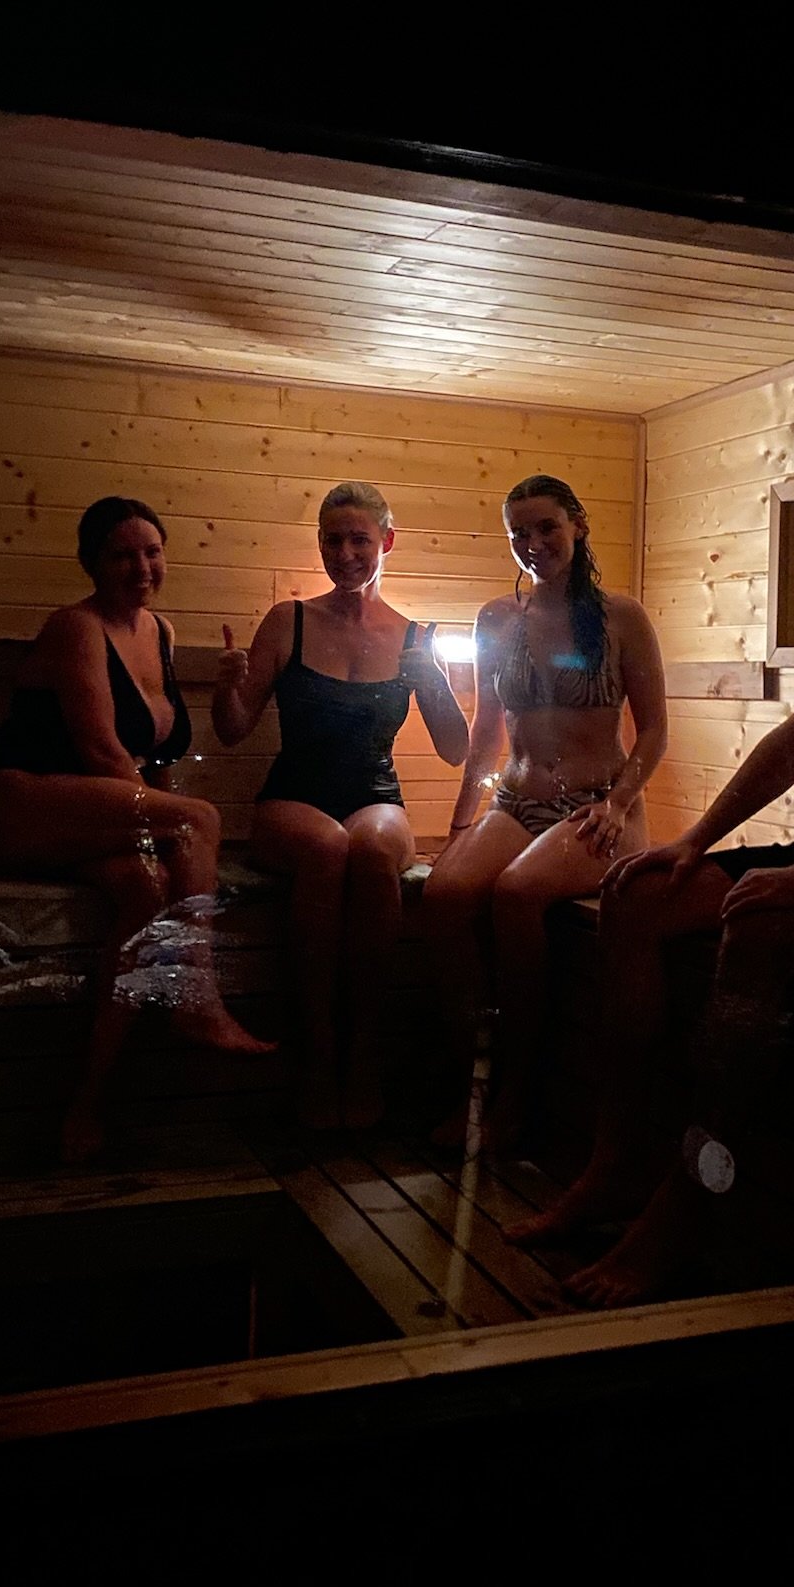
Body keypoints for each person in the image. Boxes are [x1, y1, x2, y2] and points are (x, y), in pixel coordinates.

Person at [506, 427, 794, 1307]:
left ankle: (686, 1206)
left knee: (760, 922)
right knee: (635, 891)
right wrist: (692, 840)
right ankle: (614, 1163)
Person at [0, 496, 275, 1164]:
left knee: (146, 891)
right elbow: (104, 756)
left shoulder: (160, 632)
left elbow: (156, 763)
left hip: (94, 819)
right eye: (122, 554)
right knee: (200, 817)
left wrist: (173, 843)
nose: (141, 566)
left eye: (152, 551)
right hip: (21, 804)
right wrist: (180, 828)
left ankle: (88, 1101)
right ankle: (195, 996)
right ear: (92, 563)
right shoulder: (76, 628)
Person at [213, 481, 469, 1130]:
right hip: (293, 796)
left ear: (386, 541)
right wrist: (226, 685)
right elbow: (234, 727)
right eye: (333, 539)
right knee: (327, 846)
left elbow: (453, 748)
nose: (346, 552)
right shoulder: (289, 620)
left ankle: (362, 1055)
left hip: (371, 795)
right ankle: (319, 1055)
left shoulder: (413, 636)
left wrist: (433, 680)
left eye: (360, 539)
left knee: (374, 845)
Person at [424, 474, 667, 1153]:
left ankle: (516, 1097)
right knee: (442, 895)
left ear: (578, 526)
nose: (533, 544)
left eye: (545, 528)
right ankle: (471, 1080)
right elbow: (485, 729)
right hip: (516, 798)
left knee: (516, 894)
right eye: (519, 534)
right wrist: (457, 825)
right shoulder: (498, 618)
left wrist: (618, 804)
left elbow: (652, 733)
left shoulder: (622, 617)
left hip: (596, 808)